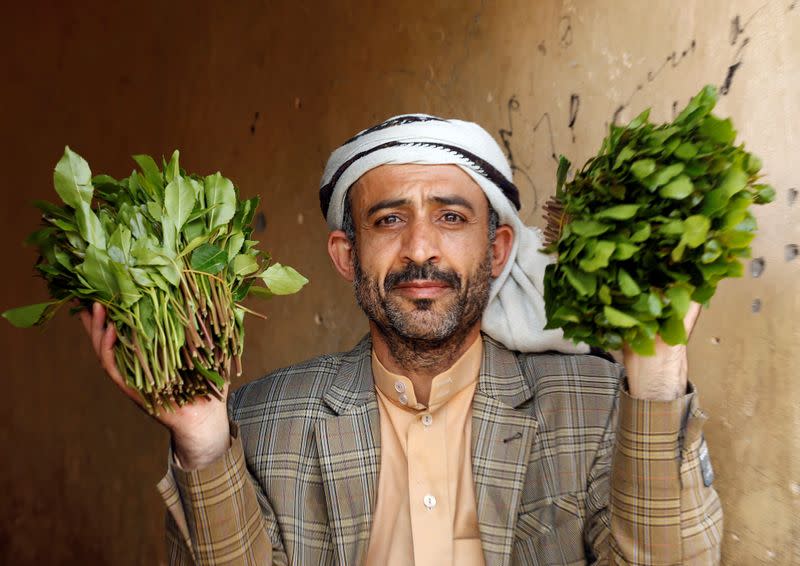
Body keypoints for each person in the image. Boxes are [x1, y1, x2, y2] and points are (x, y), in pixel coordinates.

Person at [80, 115, 722, 565]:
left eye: (451, 217)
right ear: (346, 254)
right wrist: (201, 441)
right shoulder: (260, 424)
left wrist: (659, 374)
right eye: (389, 220)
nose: (420, 249)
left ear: (497, 251)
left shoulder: (597, 405)